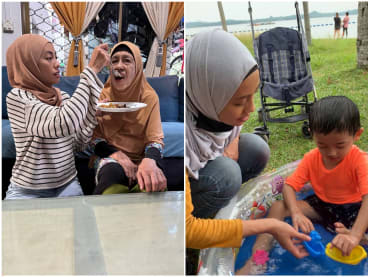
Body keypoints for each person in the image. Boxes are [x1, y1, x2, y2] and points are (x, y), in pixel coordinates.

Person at [185, 29, 311, 273]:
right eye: (239, 102)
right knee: (228, 174)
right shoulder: (185, 138)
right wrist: (266, 226)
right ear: (208, 93)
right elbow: (189, 229)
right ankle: (217, 214)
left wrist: (232, 142)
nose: (251, 109)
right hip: (195, 183)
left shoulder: (209, 104)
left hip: (211, 157)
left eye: (253, 96)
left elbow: (237, 128)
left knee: (256, 147)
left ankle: (231, 203)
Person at [240, 96, 368, 274]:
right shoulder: (312, 158)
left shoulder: (360, 161)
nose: (331, 153)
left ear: (357, 135)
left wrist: (355, 234)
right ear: (312, 134)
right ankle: (257, 259)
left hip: (357, 209)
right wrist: (296, 212)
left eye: (340, 145)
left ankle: (360, 237)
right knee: (278, 206)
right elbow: (288, 186)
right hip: (324, 205)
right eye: (322, 145)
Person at [5, 34, 109, 199]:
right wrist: (90, 71)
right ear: (28, 65)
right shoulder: (18, 98)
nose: (57, 64)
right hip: (27, 191)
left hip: (67, 184)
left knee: (84, 224)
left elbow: (77, 144)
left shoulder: (63, 97)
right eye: (48, 58)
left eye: (56, 57)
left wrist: (92, 116)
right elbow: (62, 123)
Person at [91, 41, 167, 194]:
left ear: (137, 67)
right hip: (110, 157)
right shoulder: (101, 97)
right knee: (110, 175)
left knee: (152, 182)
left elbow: (155, 140)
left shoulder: (149, 97)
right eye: (114, 61)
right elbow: (95, 140)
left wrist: (149, 160)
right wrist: (118, 155)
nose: (118, 66)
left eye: (127, 60)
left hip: (143, 158)